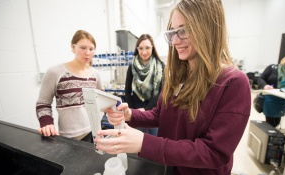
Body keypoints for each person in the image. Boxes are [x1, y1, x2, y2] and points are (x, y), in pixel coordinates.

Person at [94, 0, 251, 174]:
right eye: (172, 32)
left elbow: (214, 152)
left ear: (207, 29)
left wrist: (144, 143)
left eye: (182, 31)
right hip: (168, 168)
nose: (175, 41)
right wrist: (130, 114)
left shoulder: (232, 83)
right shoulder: (179, 75)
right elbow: (160, 114)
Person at [36, 30, 104, 142]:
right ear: (73, 47)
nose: (87, 53)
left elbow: (101, 99)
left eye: (91, 49)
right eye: (83, 48)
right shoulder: (55, 72)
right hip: (71, 136)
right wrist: (47, 123)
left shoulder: (95, 74)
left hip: (95, 130)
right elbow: (43, 103)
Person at [124, 34, 165, 136]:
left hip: (154, 109)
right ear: (137, 49)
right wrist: (133, 111)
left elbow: (162, 92)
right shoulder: (132, 67)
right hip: (136, 108)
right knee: (139, 141)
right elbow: (127, 91)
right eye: (141, 48)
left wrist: (146, 109)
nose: (144, 52)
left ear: (152, 48)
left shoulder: (161, 66)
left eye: (147, 48)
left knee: (154, 140)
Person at [257, 53, 285, 127]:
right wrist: (265, 85)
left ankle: (272, 136)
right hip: (270, 99)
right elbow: (260, 78)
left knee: (276, 122)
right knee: (270, 123)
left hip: (284, 101)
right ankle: (270, 136)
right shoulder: (273, 68)